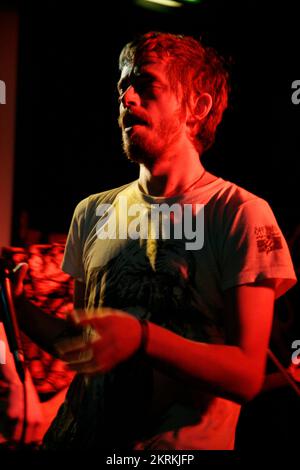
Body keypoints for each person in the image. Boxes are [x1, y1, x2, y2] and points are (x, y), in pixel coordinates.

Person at [11, 31, 297, 450]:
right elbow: (84, 347)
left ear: (197, 107)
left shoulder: (239, 213)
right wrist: (17, 307)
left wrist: (141, 337)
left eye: (146, 86)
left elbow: (245, 375)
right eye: (122, 87)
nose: (126, 98)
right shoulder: (91, 213)